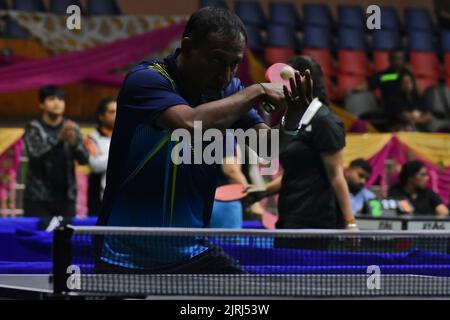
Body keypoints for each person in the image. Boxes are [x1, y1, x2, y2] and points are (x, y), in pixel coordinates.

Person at [96, 7, 287, 273]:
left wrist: (294, 117)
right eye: (218, 61)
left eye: (234, 64)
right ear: (188, 46)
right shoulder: (146, 81)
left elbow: (267, 147)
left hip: (190, 251)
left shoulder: (229, 91)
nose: (226, 76)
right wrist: (257, 90)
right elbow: (189, 124)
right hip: (124, 253)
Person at [247, 55, 357, 235]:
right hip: (289, 216)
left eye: (284, 79)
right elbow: (297, 172)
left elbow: (336, 176)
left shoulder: (324, 121)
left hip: (315, 222)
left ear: (303, 82)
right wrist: (263, 191)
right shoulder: (294, 121)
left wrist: (350, 223)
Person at [23, 85, 89, 228]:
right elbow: (35, 154)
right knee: (38, 239)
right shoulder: (33, 127)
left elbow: (84, 159)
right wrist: (59, 138)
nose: (57, 102)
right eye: (51, 99)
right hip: (38, 199)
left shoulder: (72, 127)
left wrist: (74, 144)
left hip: (66, 198)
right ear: (42, 104)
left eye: (61, 99)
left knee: (65, 241)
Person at [85, 97, 117, 216]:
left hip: (121, 198)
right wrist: (120, 153)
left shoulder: (127, 137)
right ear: (101, 116)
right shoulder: (92, 138)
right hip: (99, 199)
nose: (116, 115)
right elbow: (95, 165)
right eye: (112, 112)